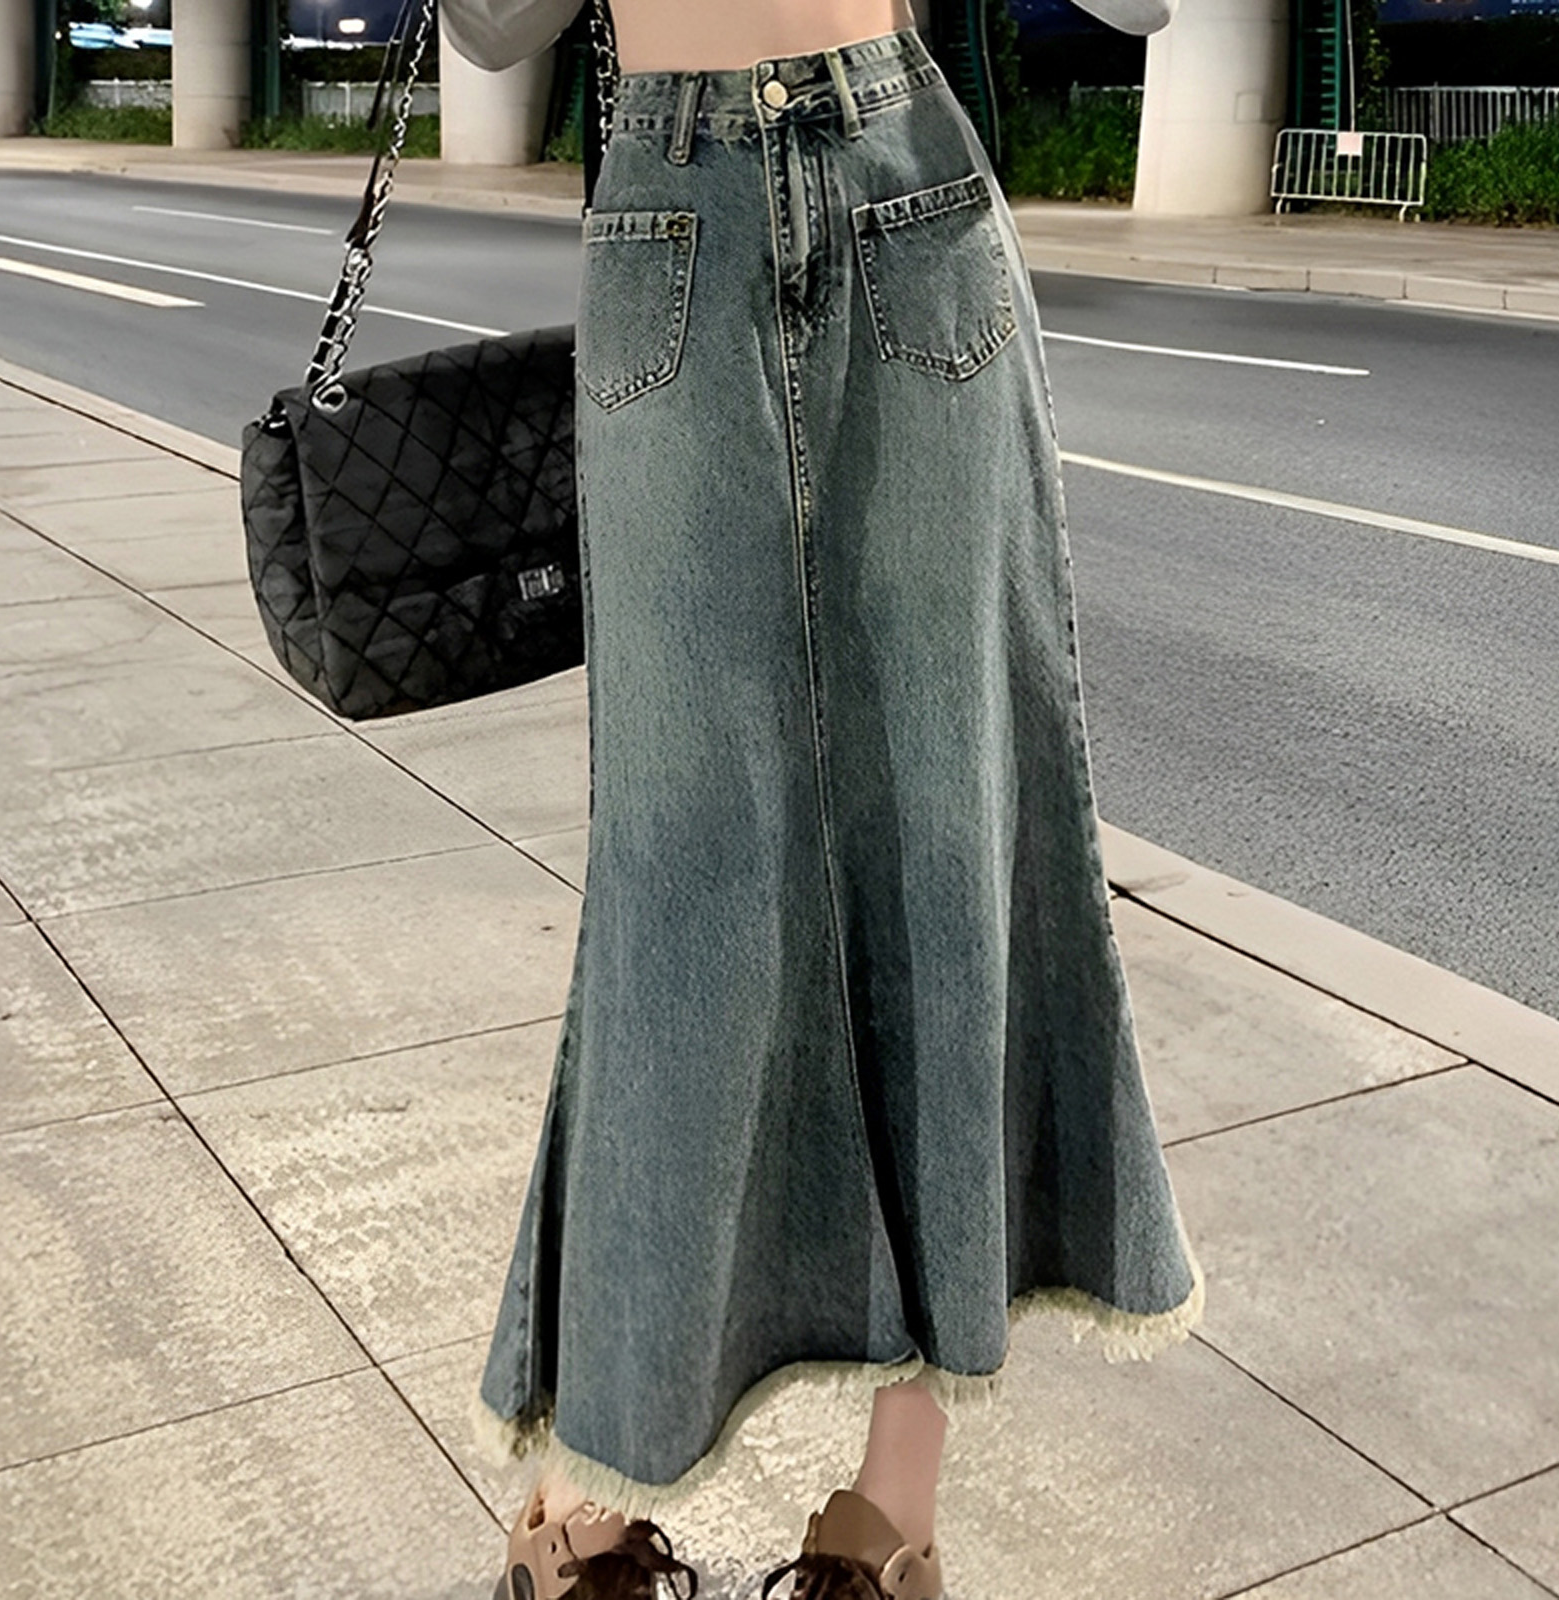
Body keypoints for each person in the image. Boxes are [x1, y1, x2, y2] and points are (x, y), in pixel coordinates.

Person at [442, 2, 1202, 1597]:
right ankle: (593, 1487)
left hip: (905, 187)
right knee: (681, 894)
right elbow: (497, 27)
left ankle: (891, 1513)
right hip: (674, 217)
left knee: (951, 839)